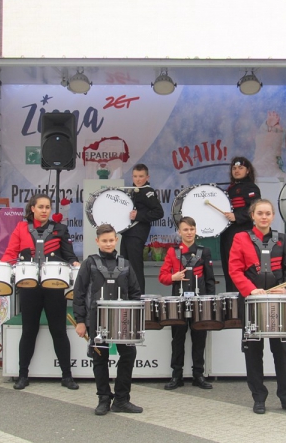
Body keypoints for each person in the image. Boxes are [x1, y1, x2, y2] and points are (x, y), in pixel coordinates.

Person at [229, 199, 286, 415]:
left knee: (282, 351)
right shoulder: (240, 238)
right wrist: (251, 290)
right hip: (252, 301)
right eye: (260, 213)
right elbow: (235, 270)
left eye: (268, 213)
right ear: (252, 215)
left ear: (272, 216)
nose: (264, 217)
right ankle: (259, 398)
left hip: (278, 303)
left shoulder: (283, 239)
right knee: (253, 352)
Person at [0, 193, 80, 391]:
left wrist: (76, 264)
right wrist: (3, 266)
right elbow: (11, 253)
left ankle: (67, 376)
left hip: (55, 287)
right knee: (29, 331)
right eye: (41, 207)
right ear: (32, 208)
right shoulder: (21, 228)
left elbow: (69, 255)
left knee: (59, 331)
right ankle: (22, 375)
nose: (45, 210)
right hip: (29, 287)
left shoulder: (60, 229)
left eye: (48, 207)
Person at [73, 224, 143, 416]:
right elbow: (78, 293)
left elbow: (136, 293)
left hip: (123, 320)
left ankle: (121, 399)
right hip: (96, 320)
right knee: (100, 359)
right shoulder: (89, 263)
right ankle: (104, 398)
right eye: (104, 240)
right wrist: (81, 321)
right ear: (97, 241)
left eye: (111, 240)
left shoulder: (126, 264)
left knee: (128, 355)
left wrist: (135, 320)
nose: (108, 243)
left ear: (116, 240)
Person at [159, 216, 215, 390]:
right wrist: (173, 277)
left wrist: (210, 302)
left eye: (192, 229)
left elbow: (210, 280)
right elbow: (162, 277)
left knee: (200, 338)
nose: (189, 232)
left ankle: (198, 375)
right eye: (185, 229)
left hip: (200, 302)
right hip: (178, 302)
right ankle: (177, 376)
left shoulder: (204, 251)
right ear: (179, 232)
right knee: (177, 339)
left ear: (195, 230)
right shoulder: (172, 252)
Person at [120, 163, 164, 294]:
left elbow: (159, 212)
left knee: (135, 267)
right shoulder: (131, 190)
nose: (138, 179)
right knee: (124, 265)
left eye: (141, 176)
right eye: (135, 176)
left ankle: (139, 296)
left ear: (147, 177)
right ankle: (126, 294)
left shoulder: (148, 192)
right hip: (127, 233)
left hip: (137, 233)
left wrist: (139, 215)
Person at [219, 156, 261, 293]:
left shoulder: (252, 188)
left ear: (248, 170)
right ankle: (231, 302)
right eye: (234, 168)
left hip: (244, 232)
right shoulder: (229, 189)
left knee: (241, 268)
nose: (237, 170)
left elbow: (255, 210)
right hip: (227, 234)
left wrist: (236, 216)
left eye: (241, 168)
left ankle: (244, 299)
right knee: (228, 268)